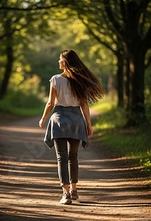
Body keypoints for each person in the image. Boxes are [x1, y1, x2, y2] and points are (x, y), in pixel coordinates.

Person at [39, 49, 105, 205]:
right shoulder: (79, 81)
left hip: (59, 121)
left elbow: (50, 103)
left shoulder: (55, 79)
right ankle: (74, 190)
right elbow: (84, 104)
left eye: (60, 59)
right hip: (76, 122)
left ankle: (66, 194)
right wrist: (89, 124)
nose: (58, 62)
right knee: (73, 157)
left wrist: (43, 118)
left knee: (61, 158)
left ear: (65, 62)